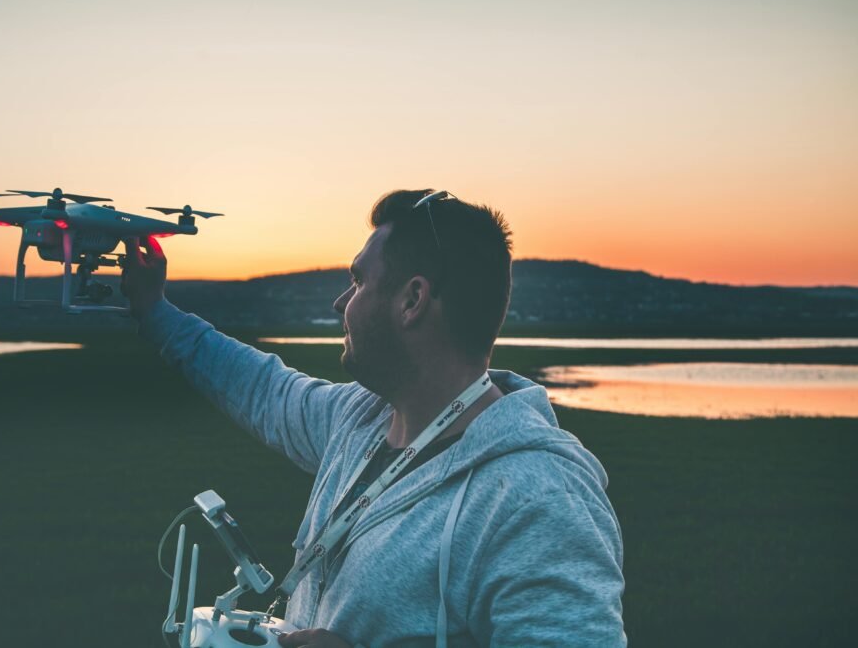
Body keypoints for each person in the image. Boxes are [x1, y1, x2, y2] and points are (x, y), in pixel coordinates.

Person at [122, 189, 626, 647]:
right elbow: (262, 388)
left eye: (359, 281)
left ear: (412, 301)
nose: (342, 302)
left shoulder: (537, 494)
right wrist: (155, 311)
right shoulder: (359, 421)